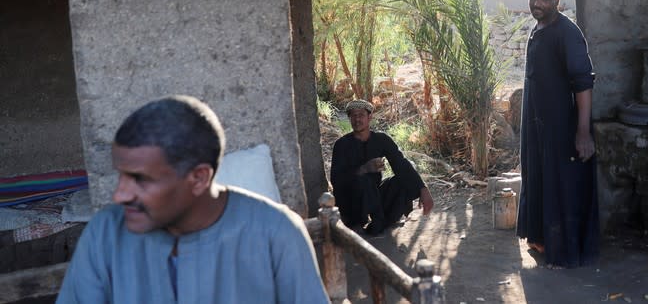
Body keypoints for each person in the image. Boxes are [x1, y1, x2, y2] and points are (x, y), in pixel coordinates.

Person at [56, 95, 329, 304]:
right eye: (121, 176)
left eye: (140, 179)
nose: (119, 195)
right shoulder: (105, 233)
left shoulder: (277, 234)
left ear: (198, 178)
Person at [516, 0, 599, 268]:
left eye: (545, 0)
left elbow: (583, 83)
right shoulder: (537, 28)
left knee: (562, 185)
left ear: (557, 1)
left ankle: (564, 250)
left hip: (562, 127)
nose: (538, 4)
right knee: (538, 178)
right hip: (536, 127)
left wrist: (583, 132)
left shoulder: (568, 33)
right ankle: (540, 239)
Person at [330, 99, 434, 235]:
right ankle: (361, 223)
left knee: (400, 181)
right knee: (363, 180)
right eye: (353, 116)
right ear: (349, 118)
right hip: (351, 200)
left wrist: (423, 189)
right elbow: (336, 180)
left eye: (361, 115)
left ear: (369, 117)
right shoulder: (341, 144)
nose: (357, 119)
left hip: (374, 195)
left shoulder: (381, 140)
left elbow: (401, 164)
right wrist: (363, 169)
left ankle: (383, 221)